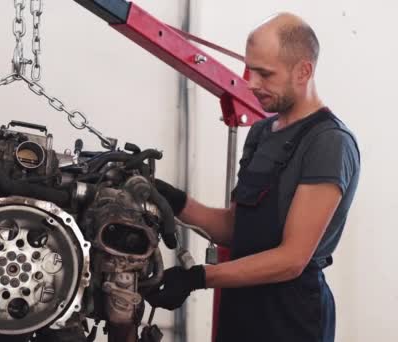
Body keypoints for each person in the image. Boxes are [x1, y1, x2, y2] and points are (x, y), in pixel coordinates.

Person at [146, 12, 360, 342]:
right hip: (241, 309)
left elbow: (291, 259)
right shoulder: (261, 132)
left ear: (304, 71)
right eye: (250, 68)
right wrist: (172, 200)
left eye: (265, 73)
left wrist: (199, 276)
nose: (251, 83)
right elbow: (235, 229)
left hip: (290, 319)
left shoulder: (328, 142)